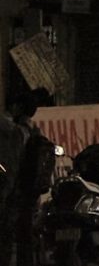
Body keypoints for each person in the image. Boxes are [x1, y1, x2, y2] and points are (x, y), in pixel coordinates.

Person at [0, 88, 52, 266]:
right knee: (25, 236)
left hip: (14, 192)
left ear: (17, 107)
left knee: (6, 235)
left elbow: (10, 166)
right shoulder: (34, 131)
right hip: (30, 192)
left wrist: (6, 191)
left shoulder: (11, 131)